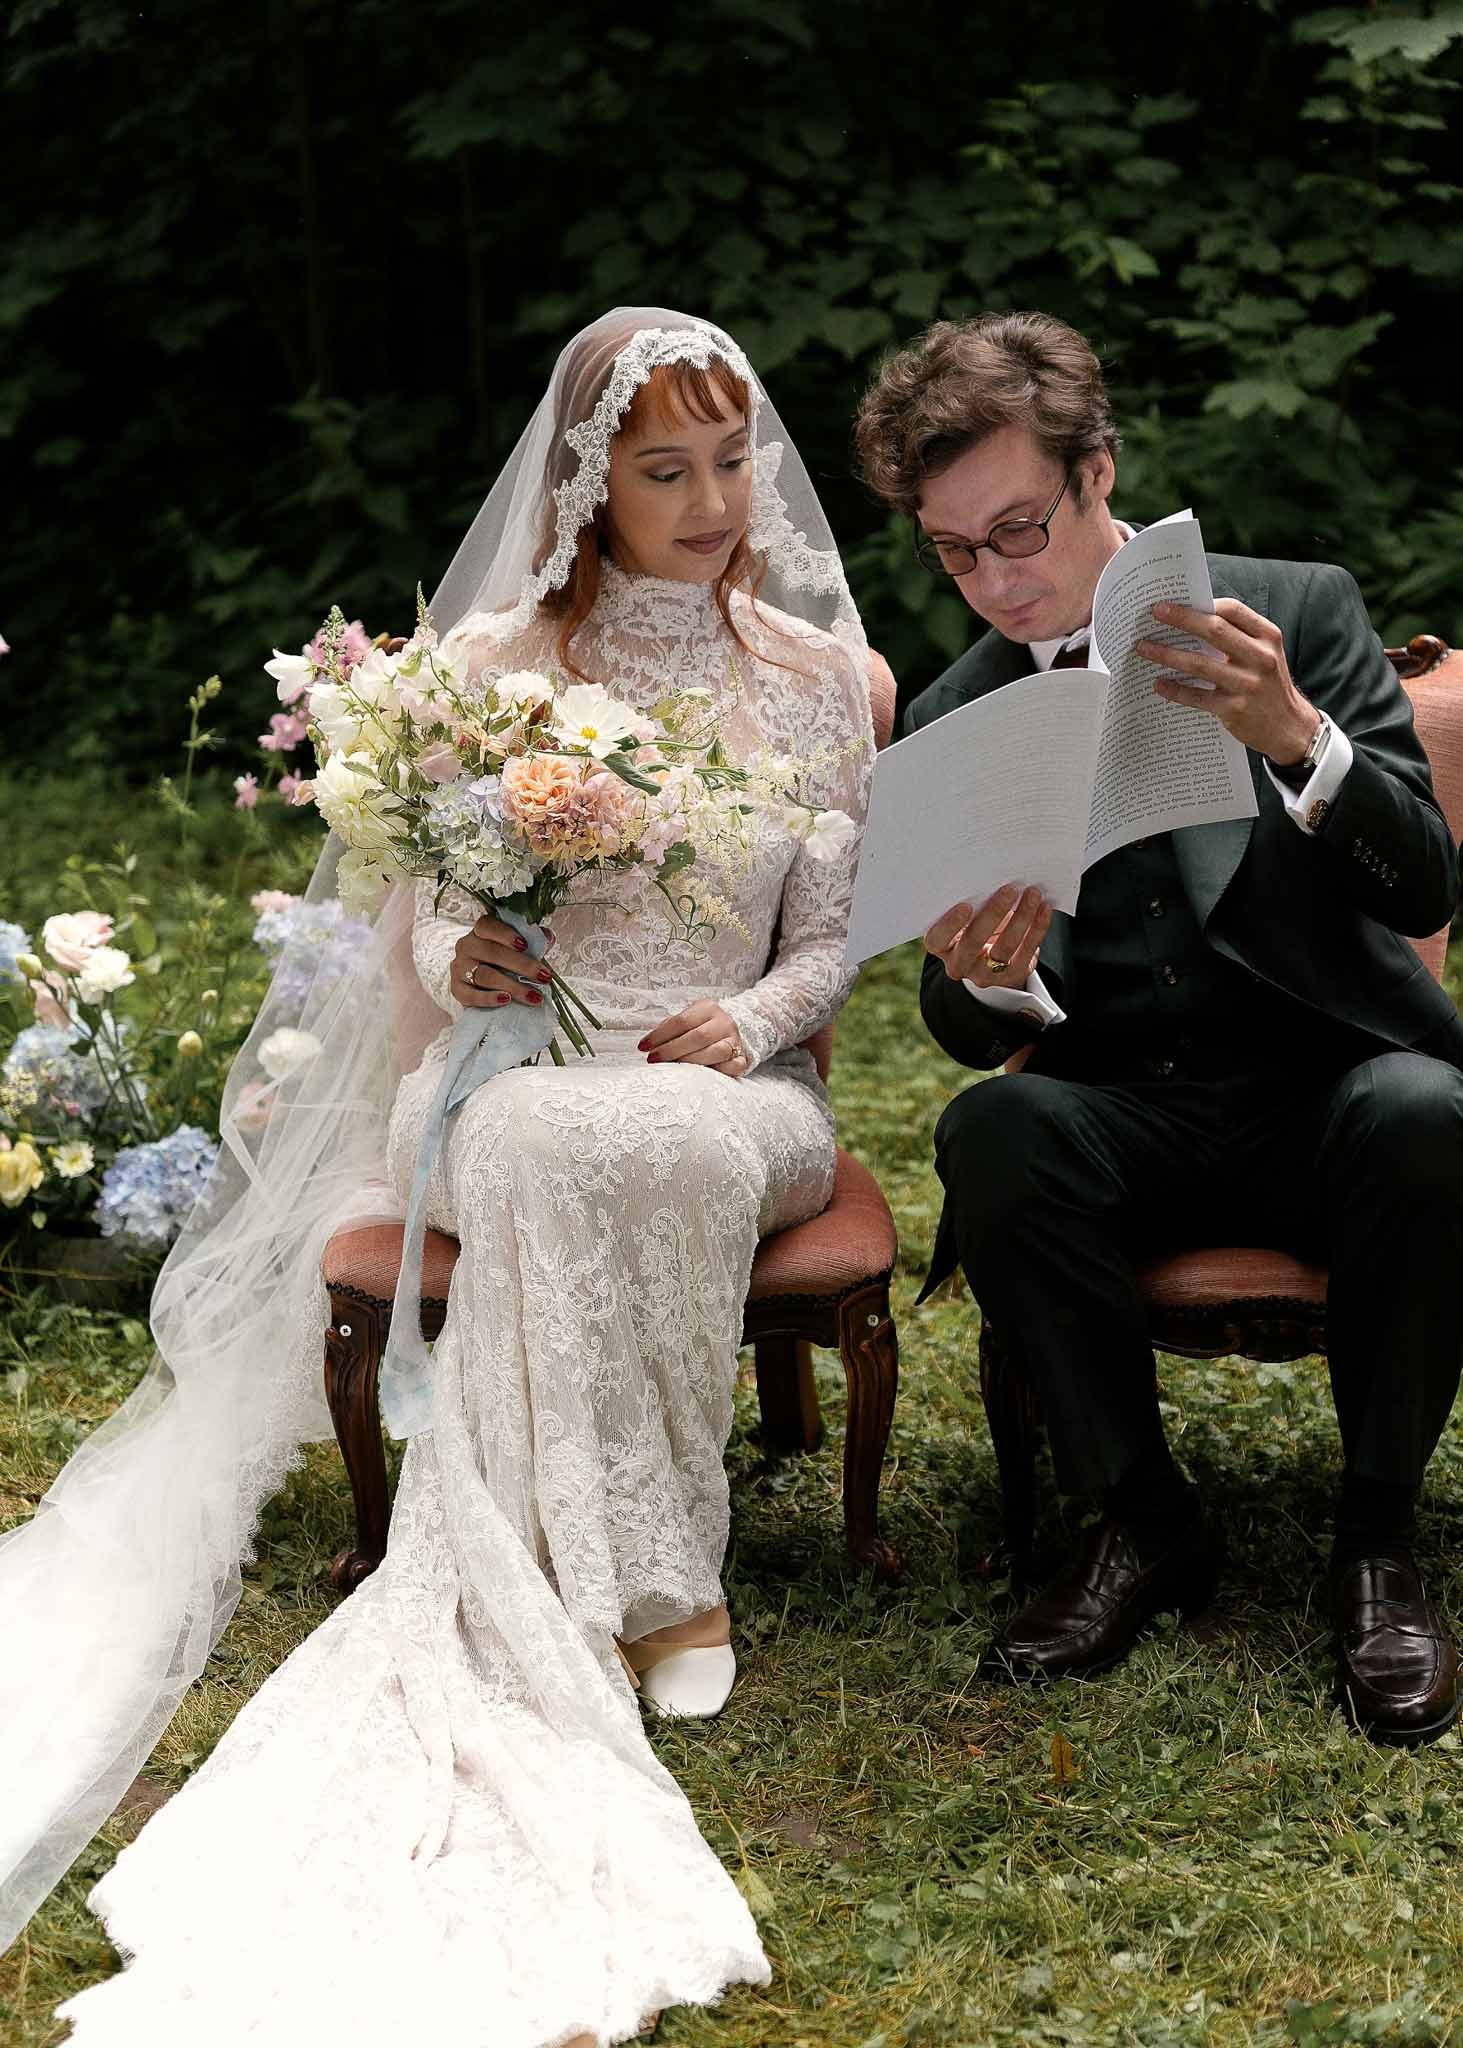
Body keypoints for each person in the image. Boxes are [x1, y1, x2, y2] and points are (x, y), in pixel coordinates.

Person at [0, 309, 873, 2045]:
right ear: (589, 483)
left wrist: (753, 1014)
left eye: (733, 462)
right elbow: (446, 910)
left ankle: (602, 1571)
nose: (711, 500)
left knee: (655, 1132)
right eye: (663, 470)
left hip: (733, 1084)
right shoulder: (484, 666)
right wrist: (471, 950)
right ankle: (644, 1588)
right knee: (556, 1130)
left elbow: (831, 944)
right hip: (506, 1072)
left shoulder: (827, 680)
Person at [854, 310, 1463, 1746]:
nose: (999, 579)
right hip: (1131, 1107)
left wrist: (1299, 739)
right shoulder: (955, 709)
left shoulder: (1291, 611)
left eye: (1021, 528)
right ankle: (1144, 1522)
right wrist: (987, 975)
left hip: (1327, 1091)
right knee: (995, 1122)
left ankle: (1377, 1546)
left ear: (1099, 471)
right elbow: (958, 1018)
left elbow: (1429, 877)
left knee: (1424, 1112)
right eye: (957, 552)